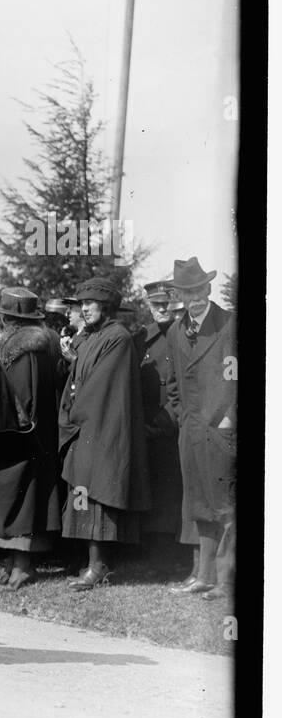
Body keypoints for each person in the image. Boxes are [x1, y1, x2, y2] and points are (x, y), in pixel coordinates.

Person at [57, 277, 151, 588]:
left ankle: (98, 567)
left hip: (103, 426)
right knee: (85, 493)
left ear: (107, 306)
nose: (84, 309)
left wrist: (74, 413)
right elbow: (78, 377)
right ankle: (90, 563)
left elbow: (102, 387)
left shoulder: (118, 338)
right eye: (81, 304)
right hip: (87, 425)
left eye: (90, 303)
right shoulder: (93, 337)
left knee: (98, 496)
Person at [0, 287, 63, 590]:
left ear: (10, 319)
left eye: (3, 316)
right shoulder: (36, 348)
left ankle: (23, 566)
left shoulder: (24, 353)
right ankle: (12, 564)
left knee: (19, 500)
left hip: (20, 437)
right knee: (14, 500)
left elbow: (22, 398)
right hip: (29, 437)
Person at [164, 257, 236, 600]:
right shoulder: (177, 331)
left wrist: (229, 419)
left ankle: (228, 581)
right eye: (187, 293)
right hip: (191, 430)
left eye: (199, 290)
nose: (195, 298)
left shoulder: (229, 325)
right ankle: (205, 576)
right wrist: (182, 416)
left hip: (221, 430)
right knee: (199, 504)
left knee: (225, 506)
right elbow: (173, 384)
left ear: (208, 288)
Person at [135, 280, 188, 557]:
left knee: (174, 491)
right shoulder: (141, 338)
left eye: (166, 303)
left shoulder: (185, 335)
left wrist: (163, 424)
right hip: (146, 428)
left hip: (174, 427)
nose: (161, 309)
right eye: (156, 304)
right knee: (154, 490)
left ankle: (173, 553)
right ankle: (154, 549)